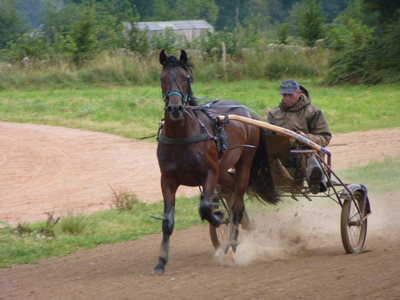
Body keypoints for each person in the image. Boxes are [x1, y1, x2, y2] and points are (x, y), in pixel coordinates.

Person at [267, 79, 332, 194]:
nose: (287, 98)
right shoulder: (274, 114)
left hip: (305, 152)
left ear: (299, 93)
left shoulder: (313, 112)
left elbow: (325, 137)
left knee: (308, 156)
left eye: (290, 95)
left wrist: (306, 137)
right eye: (284, 95)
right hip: (283, 155)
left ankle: (315, 180)